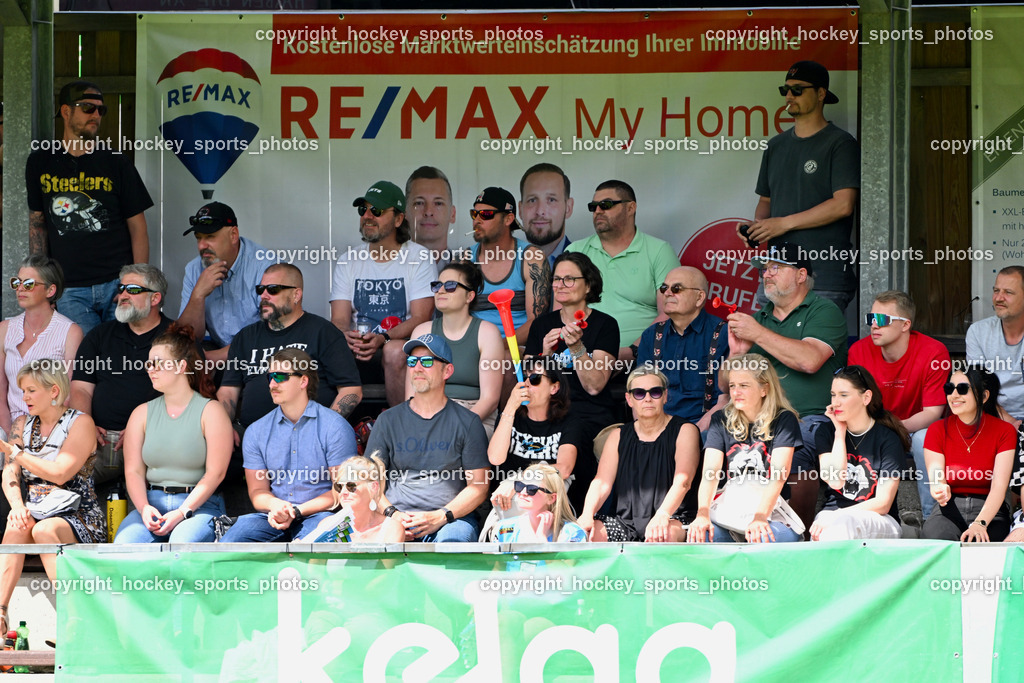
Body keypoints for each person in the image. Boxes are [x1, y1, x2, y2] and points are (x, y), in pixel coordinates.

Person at [727, 242, 847, 531]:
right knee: (709, 438)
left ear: (801, 274)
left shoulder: (824, 311)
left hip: (812, 416)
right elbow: (725, 383)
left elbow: (810, 360)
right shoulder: (759, 318)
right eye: (764, 269)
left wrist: (757, 333)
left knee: (800, 443)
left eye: (775, 267)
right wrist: (736, 355)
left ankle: (795, 534)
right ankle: (721, 524)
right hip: (758, 418)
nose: (766, 274)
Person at [26, 81, 152, 334]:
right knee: (86, 360)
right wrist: (43, 283)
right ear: (65, 111)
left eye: (100, 110)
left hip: (116, 282)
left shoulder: (116, 162)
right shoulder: (40, 161)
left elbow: (138, 227)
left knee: (121, 355)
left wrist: (136, 284)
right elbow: (38, 225)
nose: (96, 115)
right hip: (70, 287)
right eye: (87, 108)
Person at [742, 60, 860, 313]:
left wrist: (783, 223)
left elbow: (843, 205)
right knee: (768, 351)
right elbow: (766, 202)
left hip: (823, 274)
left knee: (815, 351)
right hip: (776, 274)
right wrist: (757, 228)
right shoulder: (776, 145)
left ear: (821, 94)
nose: (788, 95)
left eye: (797, 89)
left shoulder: (840, 143)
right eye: (785, 89)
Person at [0, 360, 103, 634]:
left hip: (78, 513)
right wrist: (18, 506)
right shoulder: (22, 423)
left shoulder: (81, 423)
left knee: (44, 530)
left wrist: (16, 453)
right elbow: (10, 472)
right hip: (36, 509)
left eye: (31, 390)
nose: (24, 398)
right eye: (23, 391)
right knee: (17, 524)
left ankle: (74, 620)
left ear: (54, 391)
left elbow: (60, 473)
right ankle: (0, 614)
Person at [219, 349, 357, 542]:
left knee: (321, 542)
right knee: (230, 543)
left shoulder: (335, 427)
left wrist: (297, 511)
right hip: (274, 515)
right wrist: (276, 506)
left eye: (281, 376)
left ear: (303, 381)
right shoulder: (256, 431)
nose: (273, 383)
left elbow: (343, 491)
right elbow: (257, 491)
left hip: (320, 514)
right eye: (270, 377)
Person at [114, 325, 233, 543]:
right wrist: (143, 508)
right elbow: (134, 472)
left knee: (182, 543)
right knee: (125, 545)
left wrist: (182, 512)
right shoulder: (141, 413)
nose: (150, 369)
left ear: (181, 367)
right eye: (148, 363)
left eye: (157, 363)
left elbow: (216, 473)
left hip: (200, 506)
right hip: (152, 504)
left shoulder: (211, 411)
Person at [367, 334, 490, 542]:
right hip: (396, 517)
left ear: (447, 371)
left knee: (455, 540)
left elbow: (479, 486)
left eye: (426, 361)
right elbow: (370, 482)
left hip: (450, 520)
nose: (417, 367)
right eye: (412, 361)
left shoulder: (468, 422)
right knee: (382, 540)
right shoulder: (387, 420)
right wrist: (394, 515)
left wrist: (440, 516)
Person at [219, 263, 362, 432]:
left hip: (309, 435)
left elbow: (351, 390)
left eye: (273, 289)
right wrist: (223, 428)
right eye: (260, 289)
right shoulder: (245, 337)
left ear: (296, 295)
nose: (264, 295)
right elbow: (228, 391)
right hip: (254, 438)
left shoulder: (323, 332)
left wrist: (323, 430)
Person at [329, 180, 435, 406]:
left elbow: (421, 318)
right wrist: (346, 336)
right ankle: (340, 433)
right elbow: (338, 319)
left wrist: (383, 338)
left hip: (401, 348)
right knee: (326, 346)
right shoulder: (349, 260)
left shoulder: (419, 257)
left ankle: (401, 429)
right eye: (363, 210)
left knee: (394, 351)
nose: (367, 216)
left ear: (398, 219)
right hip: (359, 350)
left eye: (376, 211)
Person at [848, 290, 949, 520]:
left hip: (913, 430)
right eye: (870, 319)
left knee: (926, 439)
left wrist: (895, 429)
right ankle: (861, 517)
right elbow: (854, 406)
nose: (874, 325)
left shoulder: (933, 352)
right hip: (873, 429)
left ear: (905, 325)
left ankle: (930, 518)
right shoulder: (859, 351)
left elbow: (933, 413)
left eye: (882, 320)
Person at [69, 264, 173, 485]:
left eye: (133, 289)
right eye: (121, 288)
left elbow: (191, 394)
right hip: (102, 441)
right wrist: (85, 425)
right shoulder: (99, 335)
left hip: (156, 441)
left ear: (155, 298)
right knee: (66, 483)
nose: (122, 295)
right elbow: (80, 388)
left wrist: (144, 428)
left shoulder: (178, 337)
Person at [577, 367, 701, 542]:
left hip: (672, 517)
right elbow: (601, 483)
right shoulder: (618, 435)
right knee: (582, 535)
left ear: (665, 396)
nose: (648, 398)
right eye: (639, 393)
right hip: (624, 522)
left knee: (662, 535)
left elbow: (684, 482)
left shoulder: (685, 430)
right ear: (629, 399)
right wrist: (587, 514)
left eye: (655, 392)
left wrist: (662, 515)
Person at [688, 354, 802, 543]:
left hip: (771, 512)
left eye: (744, 385)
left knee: (762, 536)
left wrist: (759, 517)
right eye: (732, 385)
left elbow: (779, 475)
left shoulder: (784, 420)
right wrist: (702, 513)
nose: (736, 392)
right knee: (701, 535)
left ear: (764, 388)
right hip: (732, 509)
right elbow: (711, 473)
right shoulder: (720, 420)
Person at [565, 180, 678, 359]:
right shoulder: (575, 251)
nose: (598, 211)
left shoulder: (659, 251)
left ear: (631, 208)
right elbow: (561, 311)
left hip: (643, 357)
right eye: (593, 207)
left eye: (606, 205)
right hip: (582, 357)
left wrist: (632, 351)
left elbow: (670, 312)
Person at [810, 366, 909, 541]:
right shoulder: (825, 432)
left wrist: (838, 516)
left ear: (866, 397)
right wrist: (839, 433)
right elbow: (835, 481)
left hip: (879, 518)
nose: (835, 402)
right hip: (833, 514)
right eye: (833, 395)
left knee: (843, 524)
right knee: (824, 531)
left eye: (844, 395)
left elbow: (883, 503)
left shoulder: (887, 438)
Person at [525, 251, 619, 434]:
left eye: (569, 279)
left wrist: (577, 348)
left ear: (588, 285)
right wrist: (545, 356)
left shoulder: (605, 324)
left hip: (589, 414)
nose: (560, 285)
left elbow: (594, 386)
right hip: (546, 413)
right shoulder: (541, 324)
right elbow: (528, 385)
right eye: (557, 279)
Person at [407, 261, 503, 435]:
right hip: (428, 412)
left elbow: (489, 400)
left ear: (469, 296)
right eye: (437, 286)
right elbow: (411, 395)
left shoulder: (487, 332)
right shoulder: (422, 331)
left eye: (451, 286)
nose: (441, 290)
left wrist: (455, 426)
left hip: (473, 416)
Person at [922, 367, 1015, 542]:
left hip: (989, 509)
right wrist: (938, 488)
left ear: (984, 396)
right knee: (936, 539)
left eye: (963, 389)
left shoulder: (1004, 431)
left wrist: (980, 523)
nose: (954, 395)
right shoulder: (937, 429)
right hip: (949, 508)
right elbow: (936, 476)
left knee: (987, 543)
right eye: (950, 388)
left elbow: (999, 487)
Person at [488, 356, 587, 516]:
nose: (526, 383)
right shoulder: (509, 416)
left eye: (534, 378)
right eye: (522, 377)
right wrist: (511, 407)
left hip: (549, 503)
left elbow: (564, 468)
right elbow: (495, 458)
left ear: (554, 388)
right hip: (511, 503)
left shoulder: (570, 421)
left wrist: (519, 480)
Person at [177, 202, 275, 363]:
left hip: (261, 357)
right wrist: (198, 295)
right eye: (198, 238)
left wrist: (214, 357)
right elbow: (187, 337)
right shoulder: (194, 269)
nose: (202, 245)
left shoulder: (265, 267)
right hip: (215, 353)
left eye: (210, 237)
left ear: (233, 235)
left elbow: (275, 333)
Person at [636, 266, 729, 429]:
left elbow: (726, 398)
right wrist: (648, 429)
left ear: (699, 298)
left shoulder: (723, 334)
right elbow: (639, 393)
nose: (667, 293)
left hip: (705, 426)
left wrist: (694, 433)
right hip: (657, 425)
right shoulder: (651, 335)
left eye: (676, 288)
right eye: (664, 288)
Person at [0, 255, 83, 434]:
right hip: (7, 426)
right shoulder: (5, 329)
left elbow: (67, 395)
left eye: (28, 284)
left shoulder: (70, 332)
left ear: (50, 290)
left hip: (50, 428)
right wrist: (9, 434)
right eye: (17, 282)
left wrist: (41, 436)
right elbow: (0, 393)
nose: (20, 288)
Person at [469, 186, 550, 344]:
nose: (477, 220)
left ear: (508, 219)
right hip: (474, 348)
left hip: (517, 349)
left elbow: (536, 322)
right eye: (474, 214)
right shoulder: (464, 259)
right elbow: (453, 317)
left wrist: (497, 347)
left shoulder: (532, 258)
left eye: (486, 214)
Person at [300, 454, 404, 543]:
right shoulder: (327, 525)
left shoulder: (391, 529)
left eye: (351, 486)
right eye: (339, 486)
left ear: (373, 487)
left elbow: (386, 566)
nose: (344, 492)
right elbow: (316, 566)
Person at [966, 265, 1024, 422]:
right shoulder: (978, 332)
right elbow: (979, 386)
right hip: (992, 416)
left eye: (1008, 292)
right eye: (996, 290)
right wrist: (1011, 422)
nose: (998, 298)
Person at [494, 463, 586, 543]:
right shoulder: (504, 529)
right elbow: (496, 563)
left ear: (551, 498)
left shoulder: (572, 532)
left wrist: (541, 538)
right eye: (520, 486)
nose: (523, 492)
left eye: (531, 489)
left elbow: (567, 564)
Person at [519, 163, 574, 268]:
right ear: (520, 210)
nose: (540, 211)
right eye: (532, 200)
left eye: (551, 200)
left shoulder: (589, 265)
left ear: (568, 208)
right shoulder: (502, 265)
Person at [405, 166, 459, 269]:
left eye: (438, 203)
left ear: (452, 214)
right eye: (419, 203)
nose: (428, 212)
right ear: (406, 212)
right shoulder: (386, 268)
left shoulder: (471, 271)